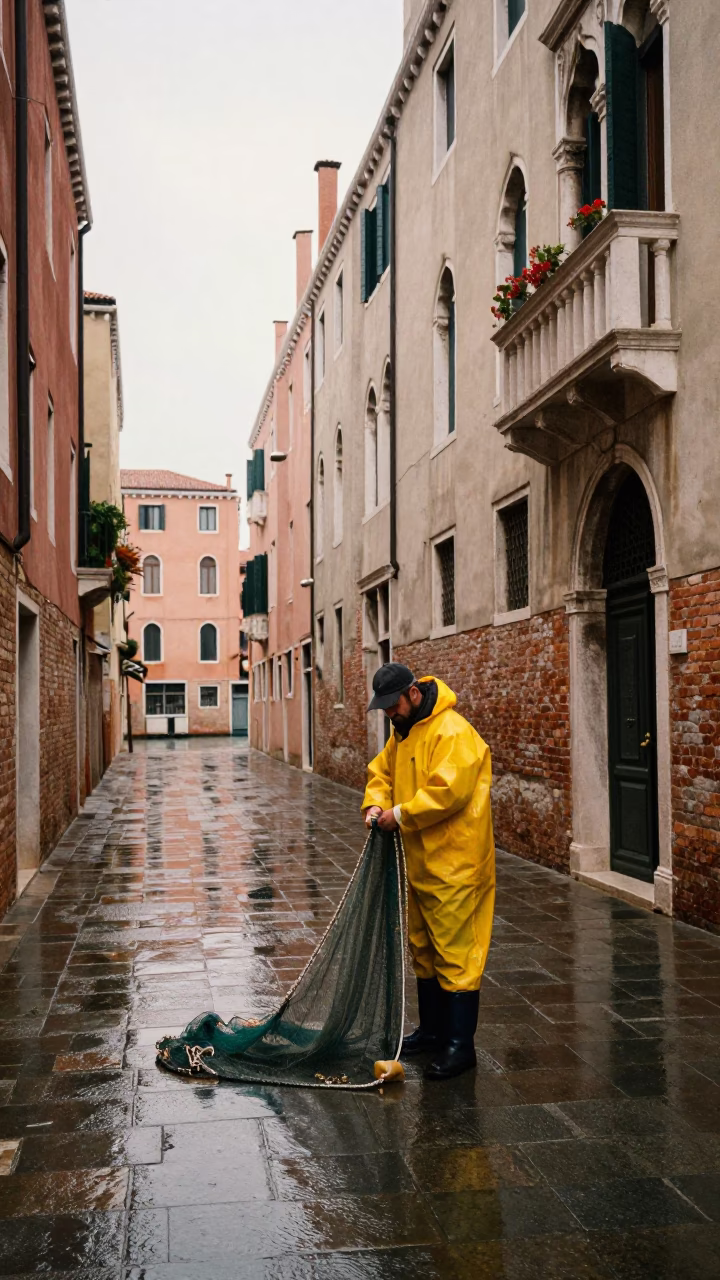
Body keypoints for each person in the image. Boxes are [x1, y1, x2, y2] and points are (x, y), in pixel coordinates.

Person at [362, 662, 495, 1080]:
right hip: (420, 862)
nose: (389, 714)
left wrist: (399, 814)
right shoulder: (404, 733)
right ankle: (433, 1031)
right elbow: (381, 771)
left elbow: (448, 791)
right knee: (423, 947)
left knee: (457, 953)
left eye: (393, 706)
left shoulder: (453, 732)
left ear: (414, 693)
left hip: (456, 863)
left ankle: (460, 1046)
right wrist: (375, 802)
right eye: (383, 709)